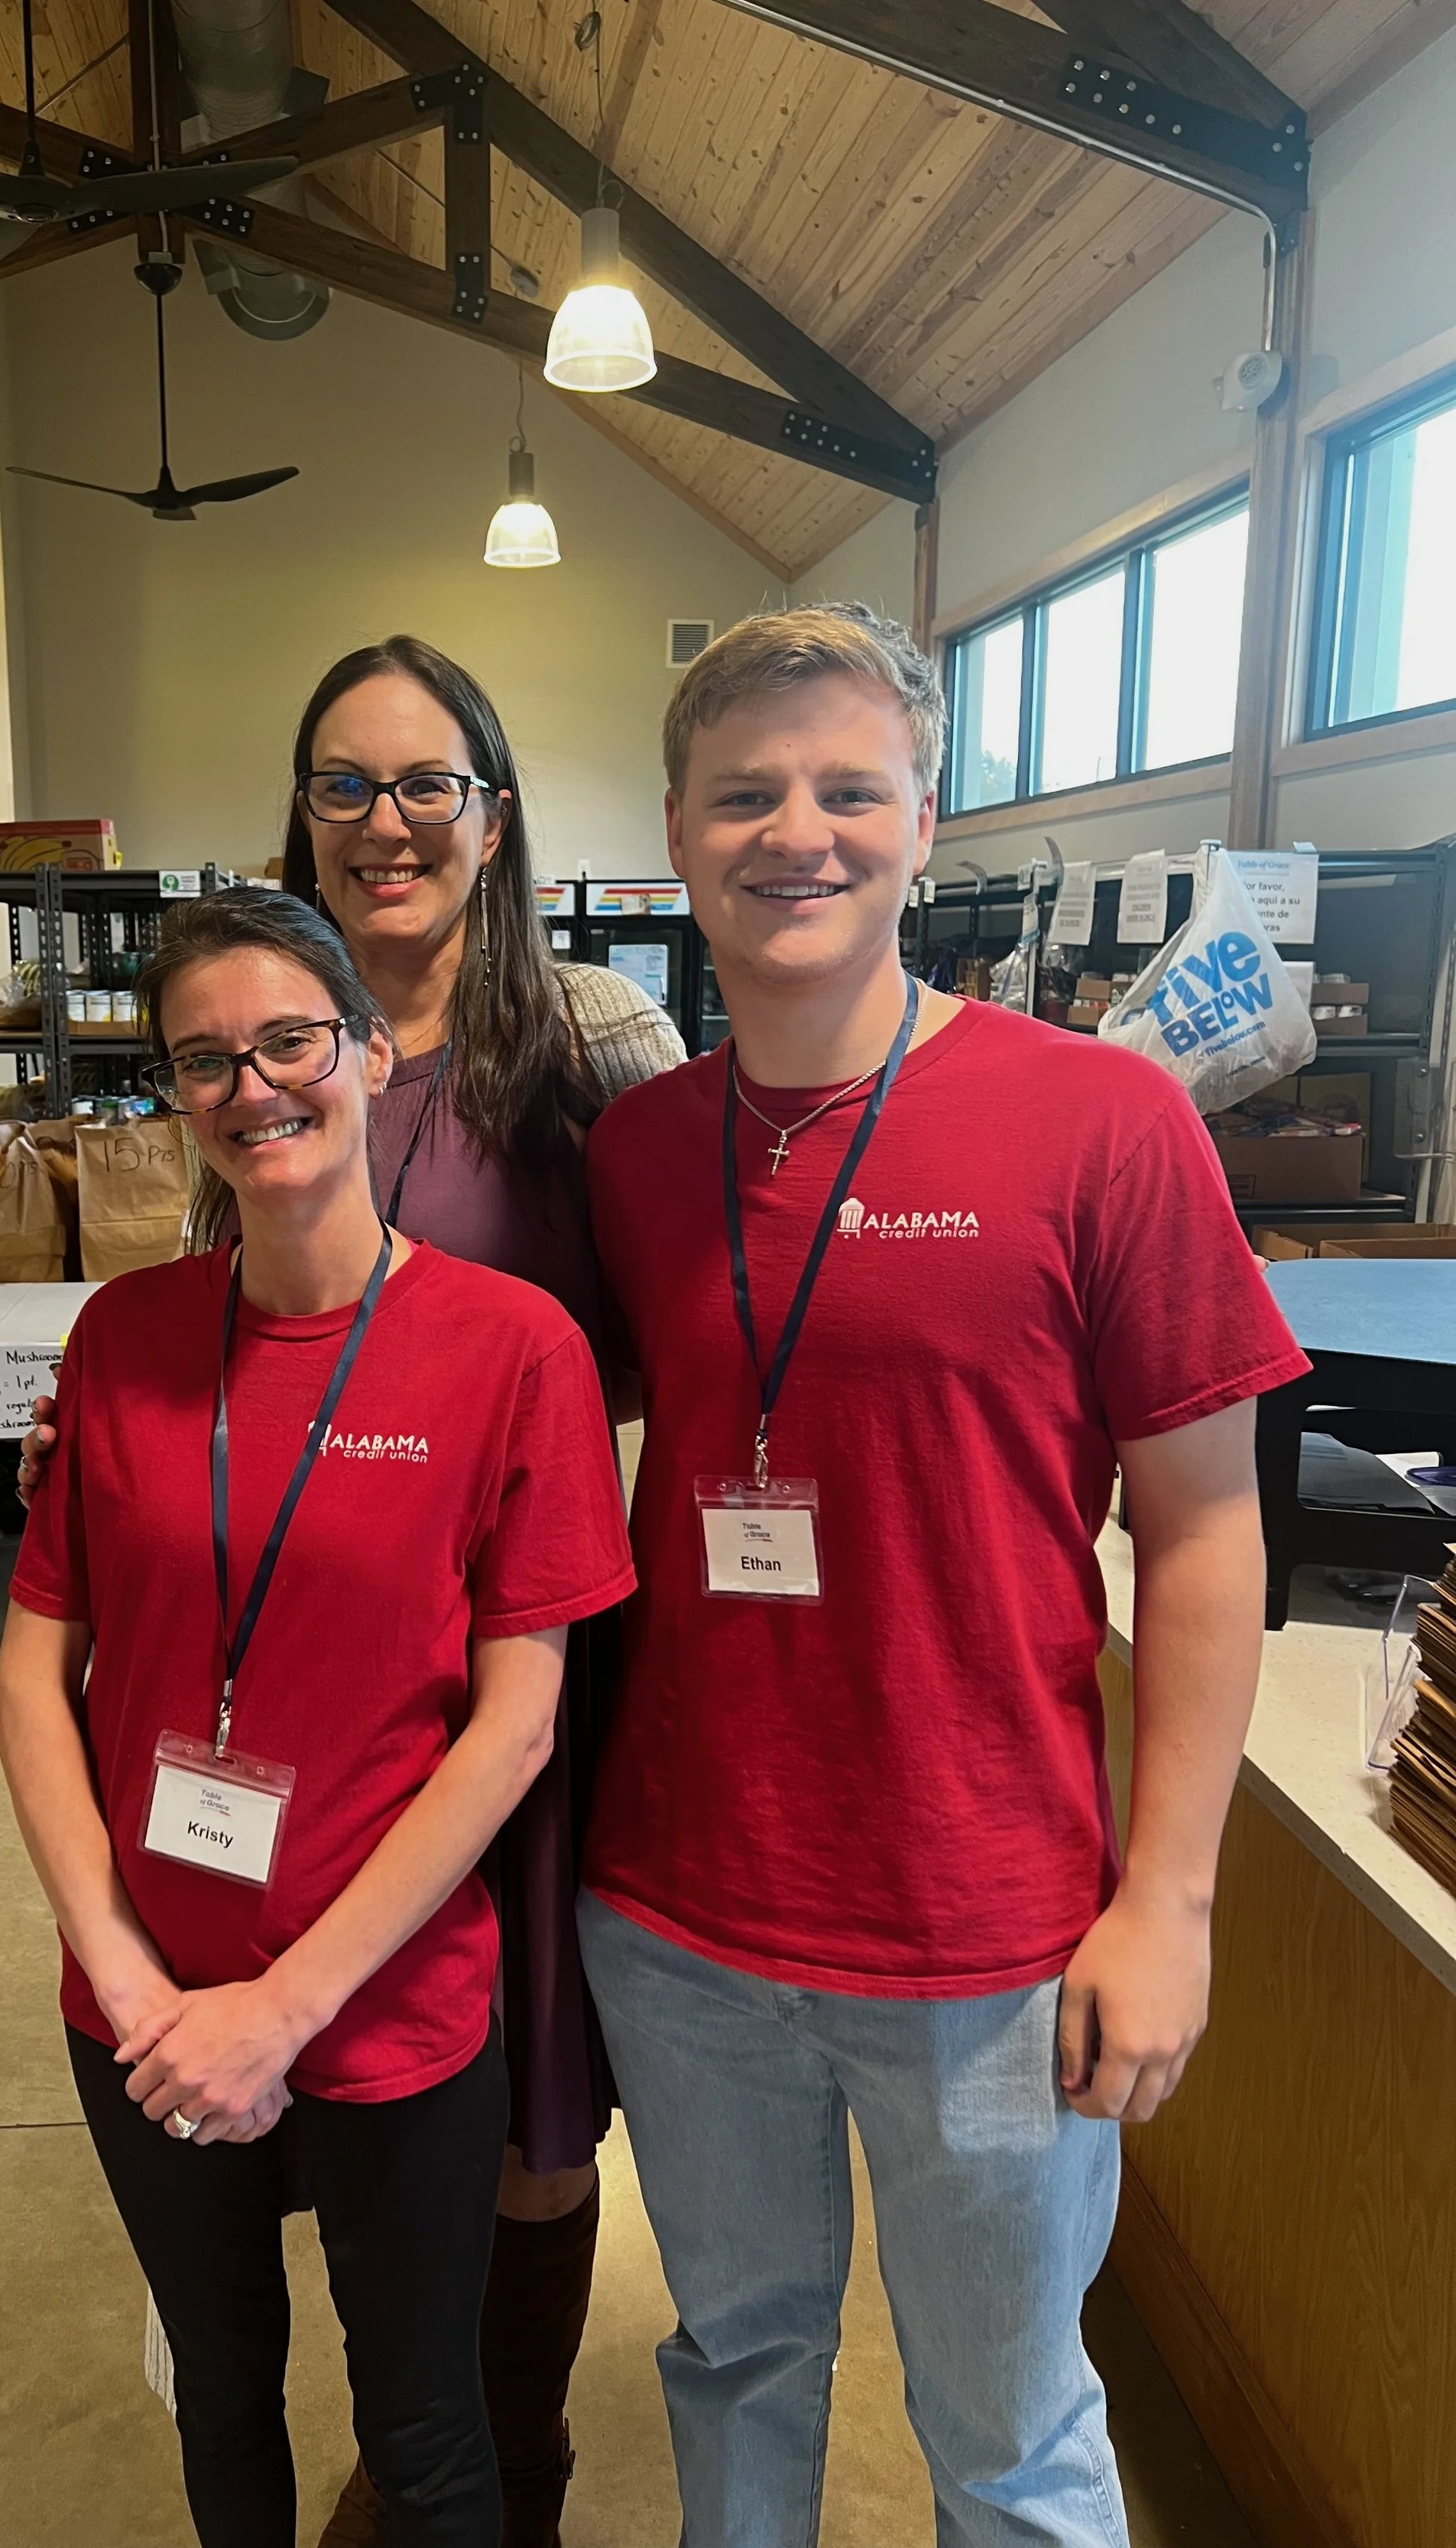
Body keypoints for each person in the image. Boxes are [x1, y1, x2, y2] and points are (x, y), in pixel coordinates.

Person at [576, 605, 1309, 2546]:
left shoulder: (1101, 1123)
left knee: (1005, 2430)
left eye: (843, 789)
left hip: (985, 1928)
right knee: (730, 2365)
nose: (791, 832)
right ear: (676, 830)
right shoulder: (640, 1153)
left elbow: (1206, 1522)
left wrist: (1167, 1895)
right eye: (743, 793)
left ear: (922, 821)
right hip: (677, 1911)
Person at [21, 635, 683, 2546]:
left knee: (527, 2102)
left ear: (490, 809)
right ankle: (410, 2442)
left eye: (425, 783)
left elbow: (681, 1325)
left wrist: (515, 1454)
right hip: (287, 1650)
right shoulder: (256, 1033)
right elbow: (193, 1332)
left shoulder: (586, 1038)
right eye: (343, 785)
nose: (385, 823)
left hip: (506, 1639)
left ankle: (489, 2468)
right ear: (298, 817)